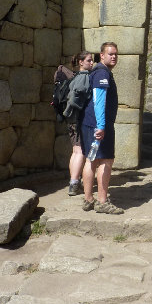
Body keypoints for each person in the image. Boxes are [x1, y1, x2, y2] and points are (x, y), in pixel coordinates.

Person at [80, 42, 122, 214]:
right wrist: (102, 126)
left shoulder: (97, 71)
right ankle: (102, 201)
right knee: (105, 160)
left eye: (116, 54)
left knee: (91, 160)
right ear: (102, 55)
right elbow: (99, 100)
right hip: (98, 126)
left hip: (90, 124)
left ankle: (88, 199)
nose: (113, 57)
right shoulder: (102, 73)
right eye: (110, 54)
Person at [54, 51, 94, 196]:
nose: (91, 63)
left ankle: (73, 182)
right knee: (80, 152)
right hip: (78, 120)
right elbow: (74, 98)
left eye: (92, 60)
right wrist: (72, 111)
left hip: (72, 120)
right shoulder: (83, 78)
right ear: (80, 62)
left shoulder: (74, 76)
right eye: (89, 60)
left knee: (76, 151)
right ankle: (74, 183)